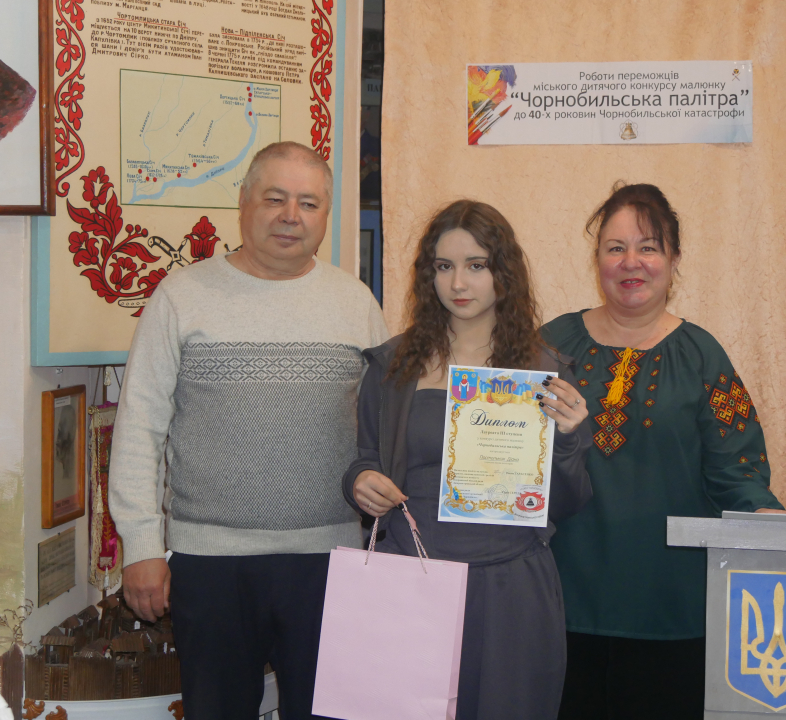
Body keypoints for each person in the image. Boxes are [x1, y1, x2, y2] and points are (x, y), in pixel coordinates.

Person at [109, 141, 390, 720]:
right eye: (275, 198)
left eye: (308, 203)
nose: (291, 216)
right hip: (209, 564)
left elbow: (383, 429)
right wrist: (141, 547)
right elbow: (139, 427)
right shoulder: (181, 297)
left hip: (329, 560)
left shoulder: (356, 303)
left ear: (325, 215)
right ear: (243, 204)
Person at [540, 183, 786, 720]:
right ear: (597, 259)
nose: (631, 262)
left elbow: (737, 468)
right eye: (615, 247)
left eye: (648, 247)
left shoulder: (702, 355)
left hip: (674, 609)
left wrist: (766, 520)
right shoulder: (551, 346)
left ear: (673, 260)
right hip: (562, 602)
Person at [342, 200, 593, 720]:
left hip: (509, 591)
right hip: (412, 577)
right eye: (444, 266)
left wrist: (569, 439)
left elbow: (568, 504)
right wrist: (360, 480)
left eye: (476, 265)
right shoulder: (392, 367)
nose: (458, 282)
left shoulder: (544, 374)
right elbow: (364, 458)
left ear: (504, 272)